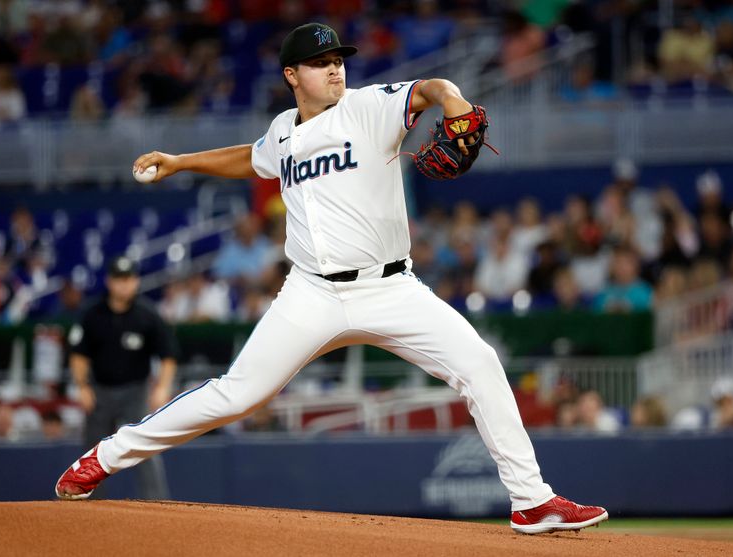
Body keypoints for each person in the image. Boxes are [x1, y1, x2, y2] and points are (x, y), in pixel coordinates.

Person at [56, 22, 607, 534]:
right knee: (236, 395)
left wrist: (454, 101)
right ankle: (102, 458)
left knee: (480, 363)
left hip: (390, 287)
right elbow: (250, 158)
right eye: (321, 63)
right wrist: (181, 161)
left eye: (338, 59)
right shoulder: (282, 132)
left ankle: (531, 500)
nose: (336, 69)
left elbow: (433, 87)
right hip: (312, 292)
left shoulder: (368, 107)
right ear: (292, 75)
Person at [65, 255, 177, 499]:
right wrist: (82, 386)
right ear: (109, 282)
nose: (124, 285)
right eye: (119, 279)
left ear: (136, 281)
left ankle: (157, 503)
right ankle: (89, 506)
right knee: (93, 452)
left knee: (145, 447)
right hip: (100, 390)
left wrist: (162, 387)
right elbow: (78, 355)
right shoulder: (92, 313)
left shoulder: (147, 314)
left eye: (128, 279)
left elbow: (168, 354)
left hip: (135, 391)